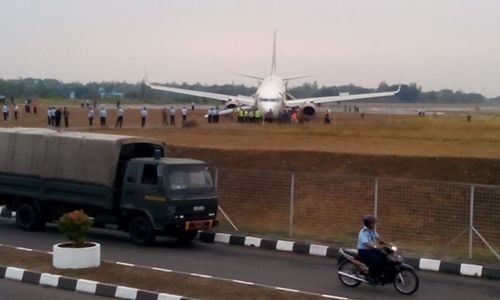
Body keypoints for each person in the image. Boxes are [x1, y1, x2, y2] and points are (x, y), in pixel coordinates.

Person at [357, 214, 386, 283]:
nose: (374, 224)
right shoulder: (363, 232)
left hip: (370, 249)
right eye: (373, 223)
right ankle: (371, 275)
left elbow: (378, 237)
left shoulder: (372, 230)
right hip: (363, 251)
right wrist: (375, 247)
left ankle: (380, 273)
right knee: (376, 260)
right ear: (368, 224)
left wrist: (386, 244)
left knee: (383, 255)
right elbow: (366, 244)